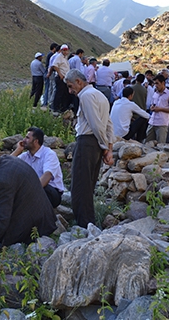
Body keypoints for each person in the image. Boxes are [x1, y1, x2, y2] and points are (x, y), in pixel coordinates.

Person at [64, 69, 114, 228]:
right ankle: (88, 222)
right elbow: (108, 124)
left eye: (71, 86)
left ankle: (84, 224)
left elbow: (96, 125)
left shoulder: (85, 96)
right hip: (96, 144)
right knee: (89, 184)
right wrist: (109, 147)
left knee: (80, 185)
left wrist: (105, 147)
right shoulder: (101, 96)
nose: (70, 91)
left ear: (79, 81)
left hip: (87, 142)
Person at [12, 127, 66, 208]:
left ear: (36, 141)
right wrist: (18, 150)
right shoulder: (25, 156)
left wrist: (28, 192)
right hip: (32, 190)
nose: (23, 140)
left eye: (27, 138)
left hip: (51, 192)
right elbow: (5, 165)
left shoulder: (49, 154)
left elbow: (47, 176)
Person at [145, 74, 169, 143]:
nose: (155, 85)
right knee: (147, 144)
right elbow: (152, 104)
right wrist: (152, 108)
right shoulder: (155, 93)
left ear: (163, 83)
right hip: (152, 122)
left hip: (162, 123)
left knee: (160, 145)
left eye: (157, 83)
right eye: (154, 83)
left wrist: (160, 109)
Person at [51, 44, 72, 112]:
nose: (66, 52)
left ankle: (63, 107)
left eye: (67, 50)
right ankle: (56, 108)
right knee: (59, 93)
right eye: (64, 50)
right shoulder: (59, 57)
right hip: (61, 77)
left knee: (64, 93)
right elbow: (54, 65)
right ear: (62, 50)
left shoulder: (65, 57)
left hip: (65, 77)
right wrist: (60, 74)